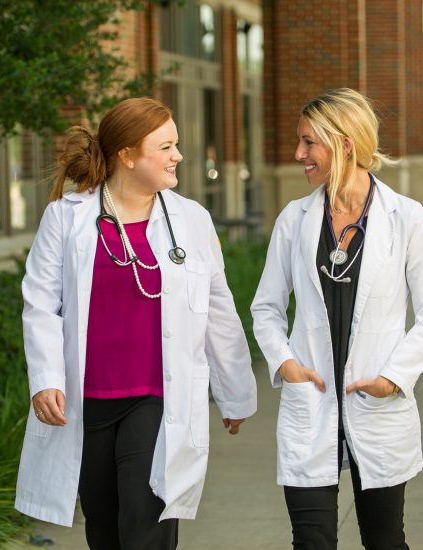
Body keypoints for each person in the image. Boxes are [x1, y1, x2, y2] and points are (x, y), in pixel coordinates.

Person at [15, 97, 257, 550]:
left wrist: (234, 391)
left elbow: (218, 309)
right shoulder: (67, 218)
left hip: (156, 398)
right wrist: (46, 379)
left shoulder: (191, 220)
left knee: (147, 522)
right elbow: (41, 305)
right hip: (85, 401)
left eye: (177, 145)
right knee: (104, 528)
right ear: (127, 154)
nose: (178, 156)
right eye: (165, 147)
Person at [251, 88, 423, 550]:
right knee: (311, 541)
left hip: (375, 400)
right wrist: (285, 363)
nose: (298, 154)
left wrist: (393, 377)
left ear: (343, 144)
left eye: (308, 143)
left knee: (384, 541)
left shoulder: (406, 218)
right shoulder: (295, 218)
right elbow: (265, 307)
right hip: (313, 399)